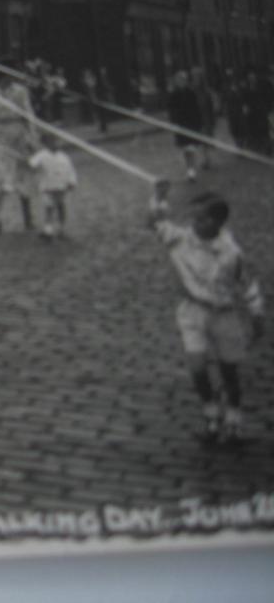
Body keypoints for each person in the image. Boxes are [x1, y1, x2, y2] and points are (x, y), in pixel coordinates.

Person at [148, 183, 264, 442]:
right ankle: (210, 415)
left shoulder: (231, 253)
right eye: (193, 217)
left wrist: (257, 315)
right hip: (192, 312)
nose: (194, 224)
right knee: (197, 367)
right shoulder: (180, 238)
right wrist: (158, 196)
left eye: (201, 219)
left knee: (229, 371)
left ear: (218, 223)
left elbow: (247, 284)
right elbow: (155, 221)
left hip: (223, 314)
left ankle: (234, 419)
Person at [0, 59, 37, 235]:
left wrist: (32, 138)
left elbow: (28, 114)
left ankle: (28, 218)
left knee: (22, 174)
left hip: (18, 133)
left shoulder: (20, 91)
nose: (10, 77)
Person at [28, 133, 78, 239]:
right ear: (45, 143)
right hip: (48, 187)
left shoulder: (64, 156)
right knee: (49, 207)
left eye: (57, 141)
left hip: (61, 187)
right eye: (52, 141)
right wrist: (29, 160)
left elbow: (70, 169)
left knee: (61, 207)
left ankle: (62, 229)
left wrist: (72, 181)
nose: (56, 144)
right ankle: (48, 230)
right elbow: (32, 165)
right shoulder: (41, 155)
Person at [167, 69, 205, 182]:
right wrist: (173, 123)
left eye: (183, 80)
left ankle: (192, 170)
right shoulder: (173, 94)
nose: (181, 82)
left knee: (191, 148)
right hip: (181, 125)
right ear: (176, 81)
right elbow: (171, 110)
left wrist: (199, 123)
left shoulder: (191, 93)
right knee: (185, 149)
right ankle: (189, 169)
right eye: (179, 80)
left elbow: (196, 108)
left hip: (192, 124)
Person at [241, 65, 273, 156]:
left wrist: (268, 107)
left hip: (262, 111)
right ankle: (259, 147)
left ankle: (268, 147)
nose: (251, 76)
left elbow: (269, 95)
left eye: (252, 74)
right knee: (255, 130)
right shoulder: (246, 86)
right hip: (252, 113)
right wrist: (245, 107)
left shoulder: (263, 83)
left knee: (265, 129)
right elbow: (244, 98)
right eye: (249, 75)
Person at [190, 66, 216, 170]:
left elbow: (210, 106)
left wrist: (212, 120)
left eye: (198, 77)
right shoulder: (191, 91)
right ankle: (202, 159)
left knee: (205, 139)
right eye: (194, 77)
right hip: (195, 118)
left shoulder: (206, 92)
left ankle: (207, 159)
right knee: (197, 140)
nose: (196, 79)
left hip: (205, 118)